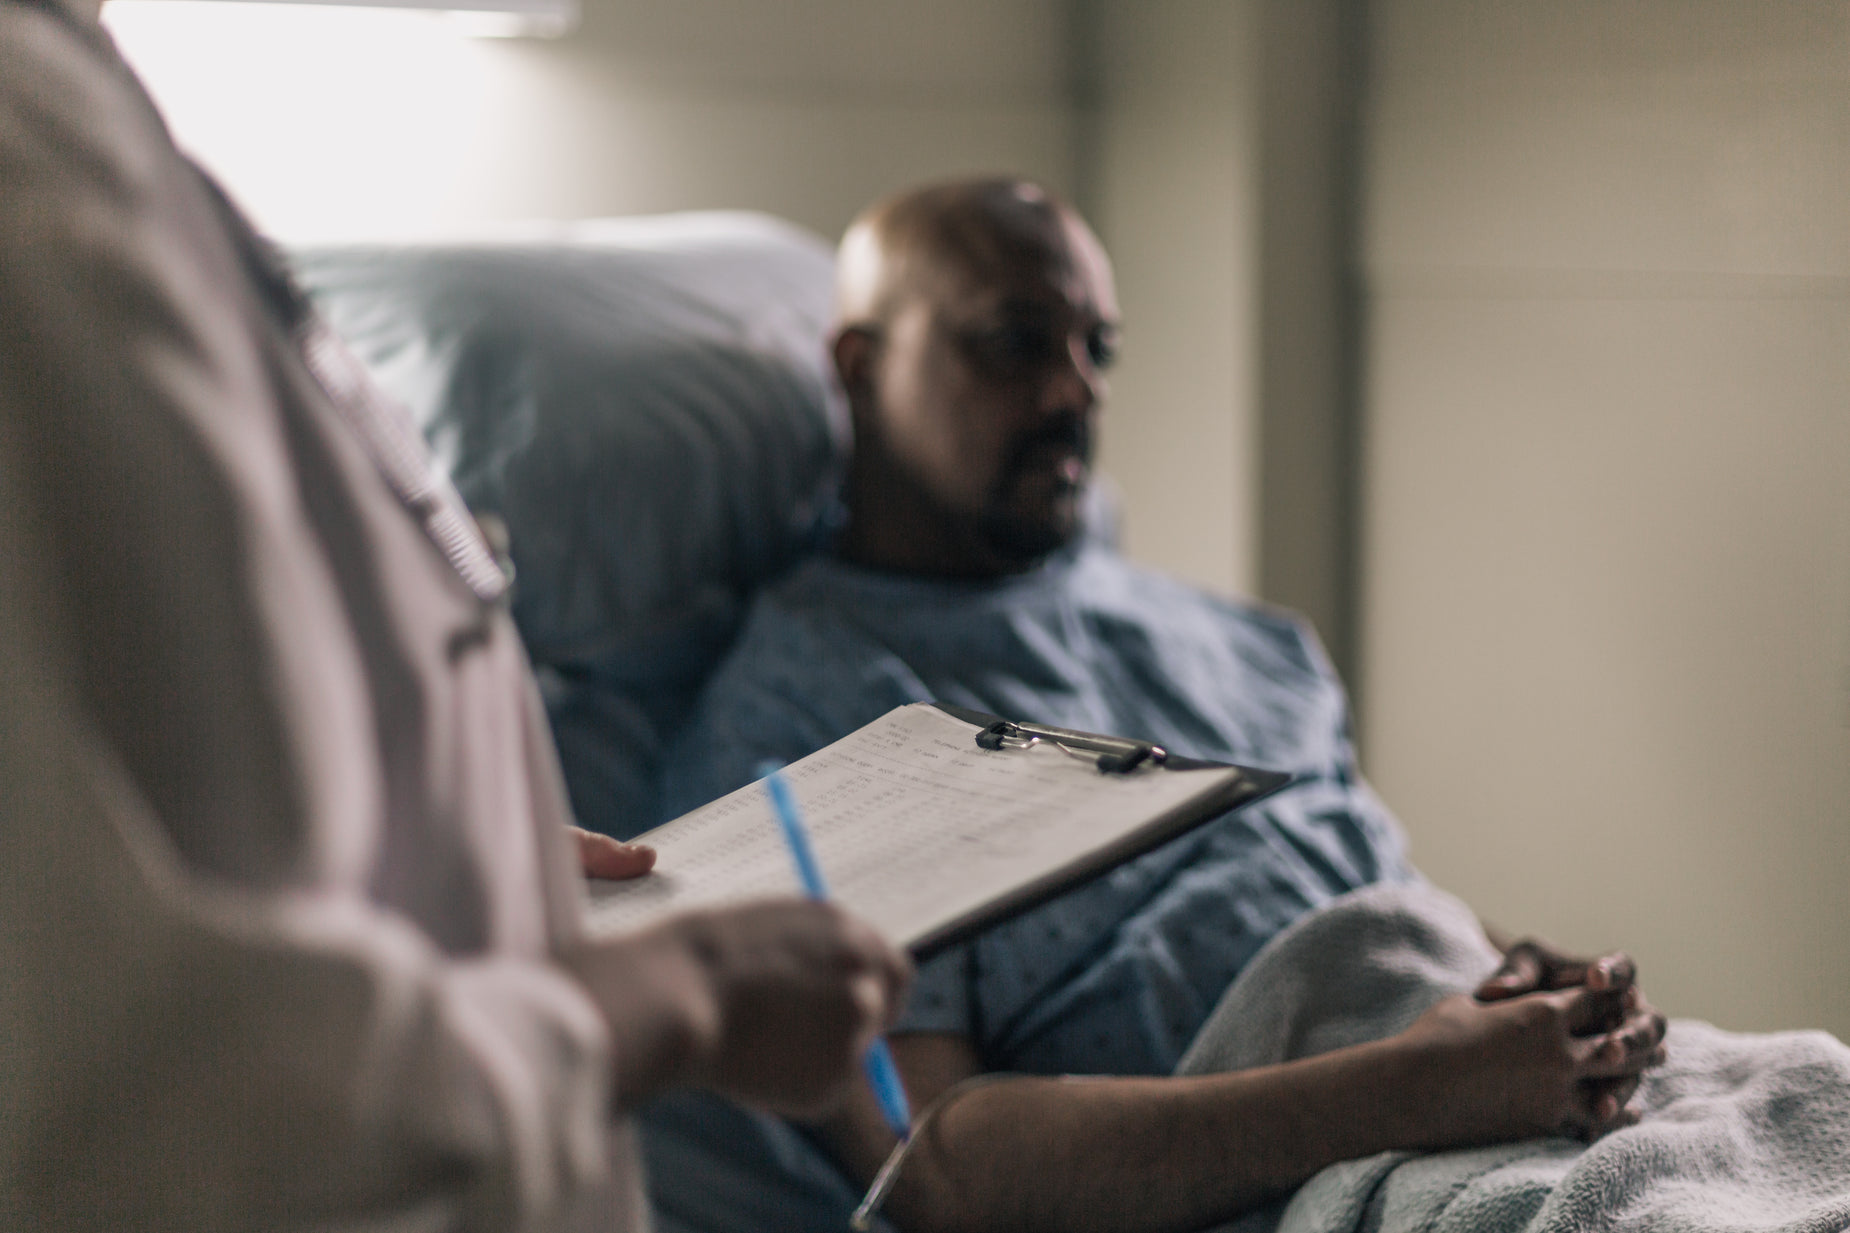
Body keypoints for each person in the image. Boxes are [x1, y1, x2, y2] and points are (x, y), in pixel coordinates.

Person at [0, 3, 908, 1230]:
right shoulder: (36, 176)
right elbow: (142, 1118)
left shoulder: (90, 121)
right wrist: (678, 992)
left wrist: (478, 847)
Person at [650, 177, 1668, 1232]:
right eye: (1014, 343)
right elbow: (939, 1180)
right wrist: (1417, 1088)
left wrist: (1541, 998)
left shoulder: (1247, 645)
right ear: (861, 368)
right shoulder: (799, 719)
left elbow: (1378, 919)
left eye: (1097, 349)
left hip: (1540, 1114)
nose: (1072, 393)